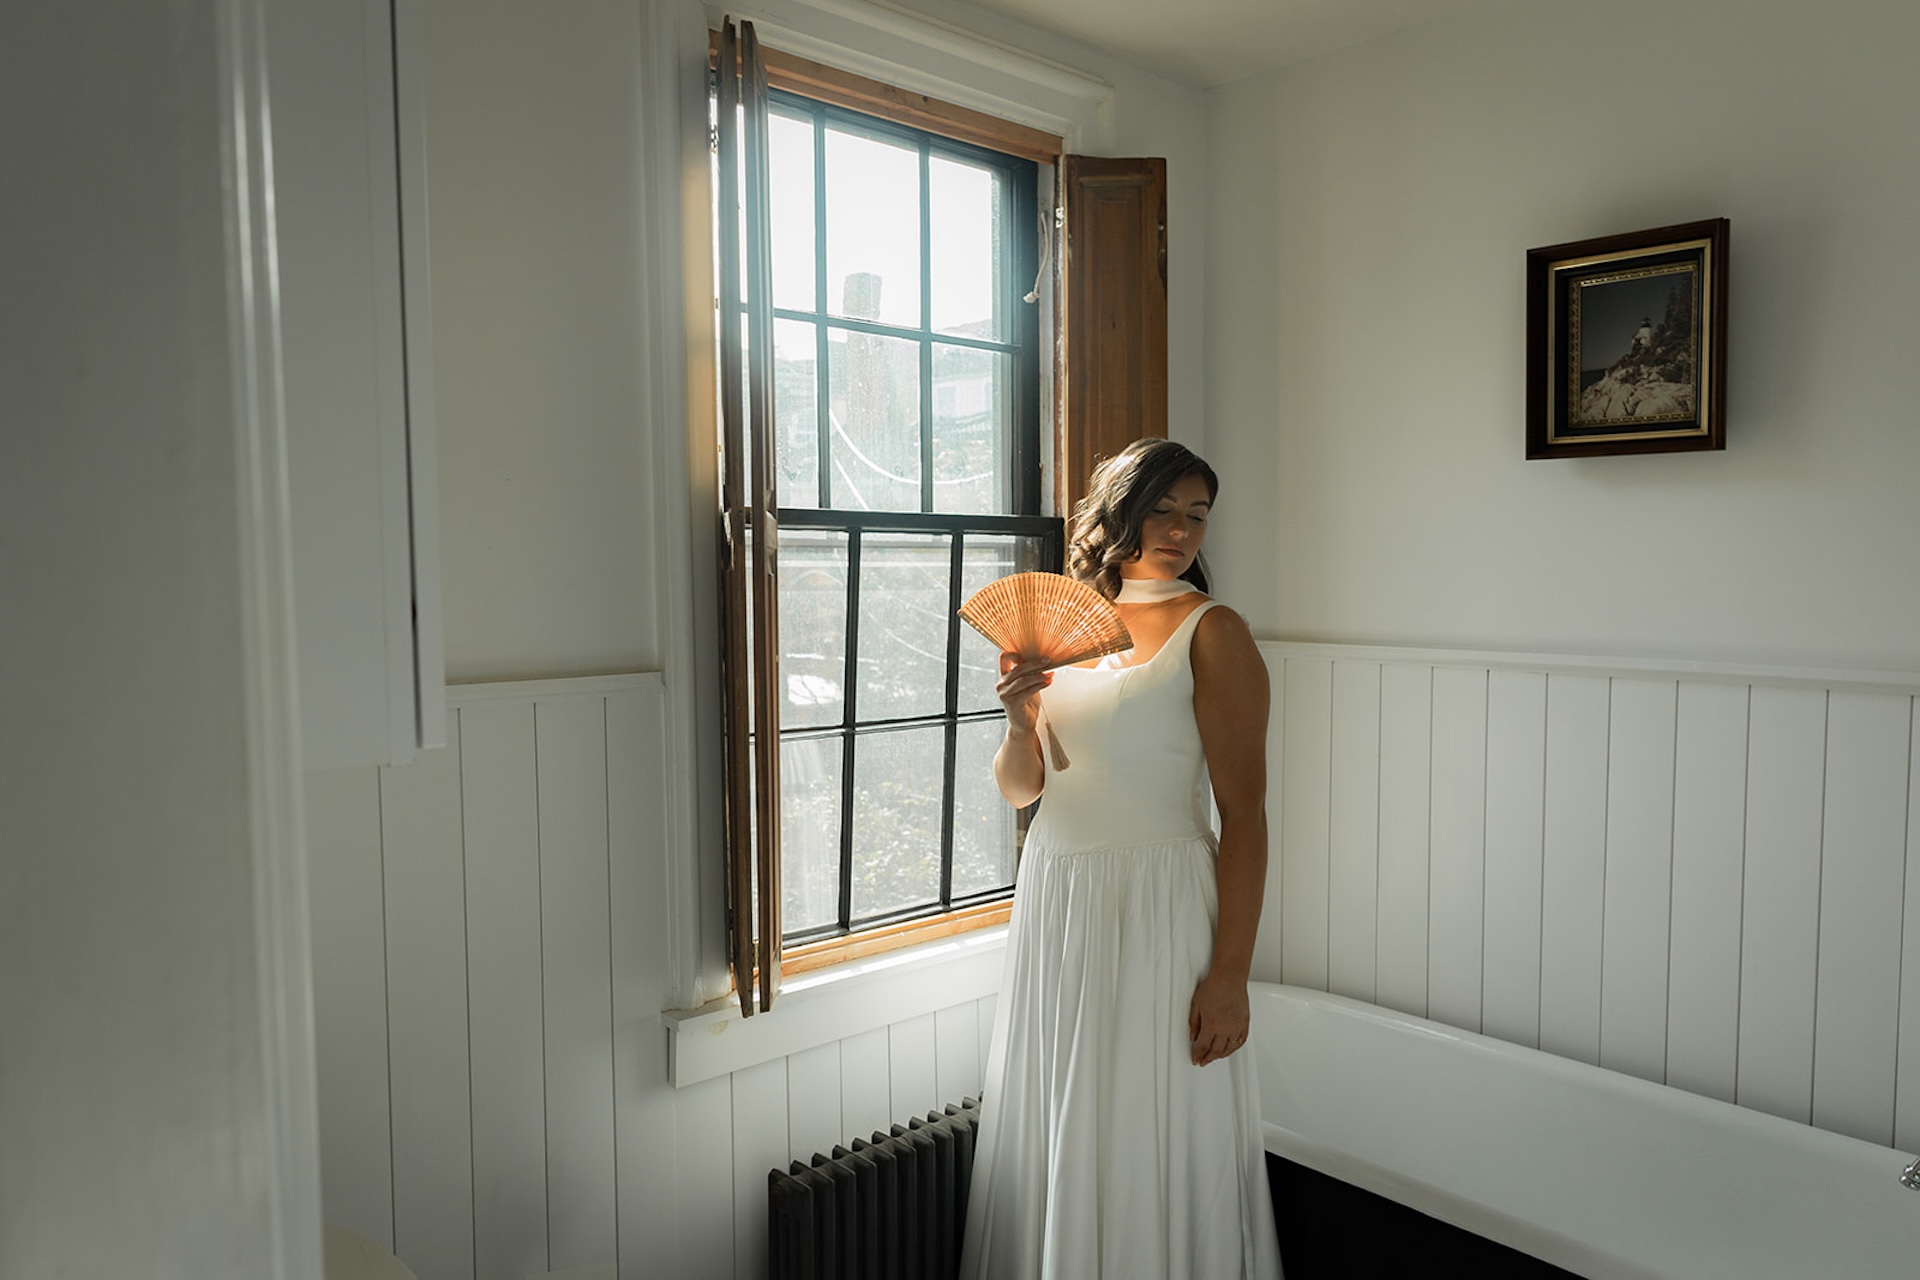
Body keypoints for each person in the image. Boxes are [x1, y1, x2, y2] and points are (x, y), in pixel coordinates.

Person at [958, 439, 1284, 1279]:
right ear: (1119, 513)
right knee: (1069, 1110)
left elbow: (1245, 818)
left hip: (1161, 902)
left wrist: (1230, 976)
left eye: (1198, 514)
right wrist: (1017, 719)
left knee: (1151, 1113)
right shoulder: (1059, 625)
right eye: (1165, 509)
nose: (1181, 530)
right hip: (1059, 896)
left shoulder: (1214, 632)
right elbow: (1021, 792)